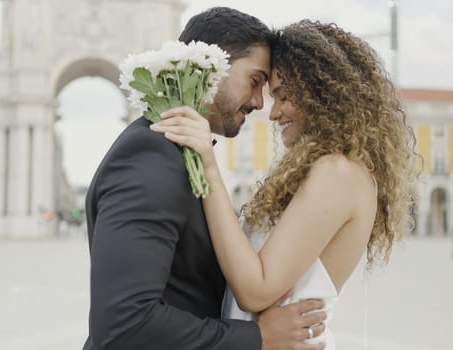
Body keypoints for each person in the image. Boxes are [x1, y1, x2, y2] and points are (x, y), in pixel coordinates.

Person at [152, 20, 418, 348]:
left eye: (283, 95)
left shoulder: (339, 172)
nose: (273, 112)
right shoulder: (326, 169)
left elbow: (256, 289)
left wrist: (208, 164)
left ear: (321, 89)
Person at [82, 8, 326, 350]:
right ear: (211, 67)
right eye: (255, 82)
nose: (259, 103)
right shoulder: (149, 156)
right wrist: (258, 338)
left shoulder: (179, 153)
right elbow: (124, 323)